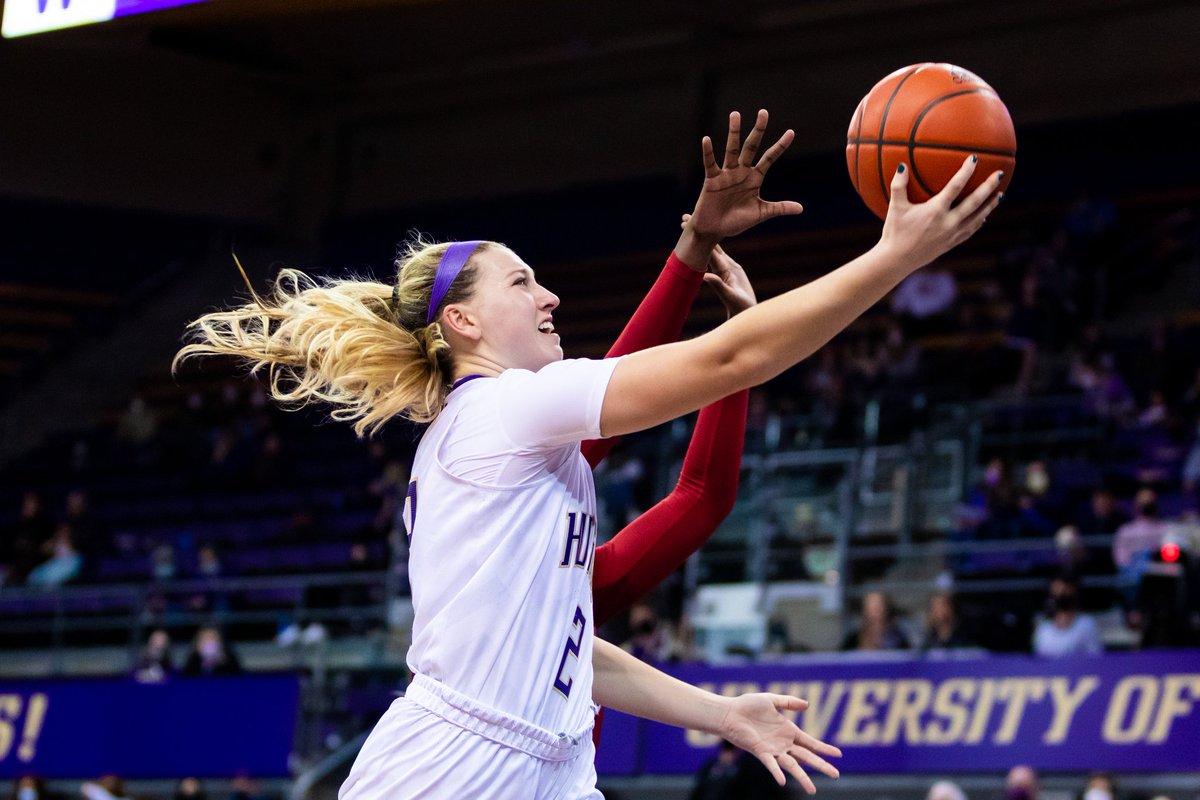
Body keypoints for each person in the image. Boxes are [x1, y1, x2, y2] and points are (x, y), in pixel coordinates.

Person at [176, 108, 1002, 799]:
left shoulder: (503, 432)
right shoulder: (500, 409)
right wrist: (892, 258)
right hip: (450, 769)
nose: (550, 295)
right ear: (462, 322)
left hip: (553, 761)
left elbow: (571, 648)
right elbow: (727, 360)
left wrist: (721, 716)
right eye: (522, 282)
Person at [1032, 577, 1102, 657]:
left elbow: (1095, 657)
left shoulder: (1086, 624)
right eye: (1056, 593)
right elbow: (1040, 660)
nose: (1060, 596)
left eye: (1064, 592)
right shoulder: (1044, 629)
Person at [841, 590, 911, 651]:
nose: (875, 609)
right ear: (864, 609)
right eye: (870, 605)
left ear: (886, 608)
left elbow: (906, 658)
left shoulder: (898, 637)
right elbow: (840, 659)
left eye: (878, 605)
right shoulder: (853, 638)